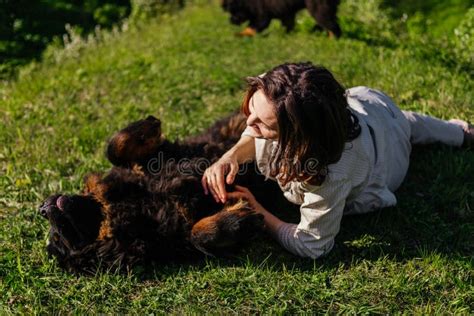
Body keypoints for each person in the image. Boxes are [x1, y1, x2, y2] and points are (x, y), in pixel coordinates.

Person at [201, 62, 473, 259]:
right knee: (404, 120)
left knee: (405, 126)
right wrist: (231, 155)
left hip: (387, 154)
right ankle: (452, 130)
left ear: (299, 137)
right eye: (252, 110)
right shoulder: (280, 93)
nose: (248, 122)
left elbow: (312, 245)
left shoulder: (332, 172)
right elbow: (255, 127)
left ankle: (460, 132)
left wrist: (258, 211)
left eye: (262, 123)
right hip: (361, 104)